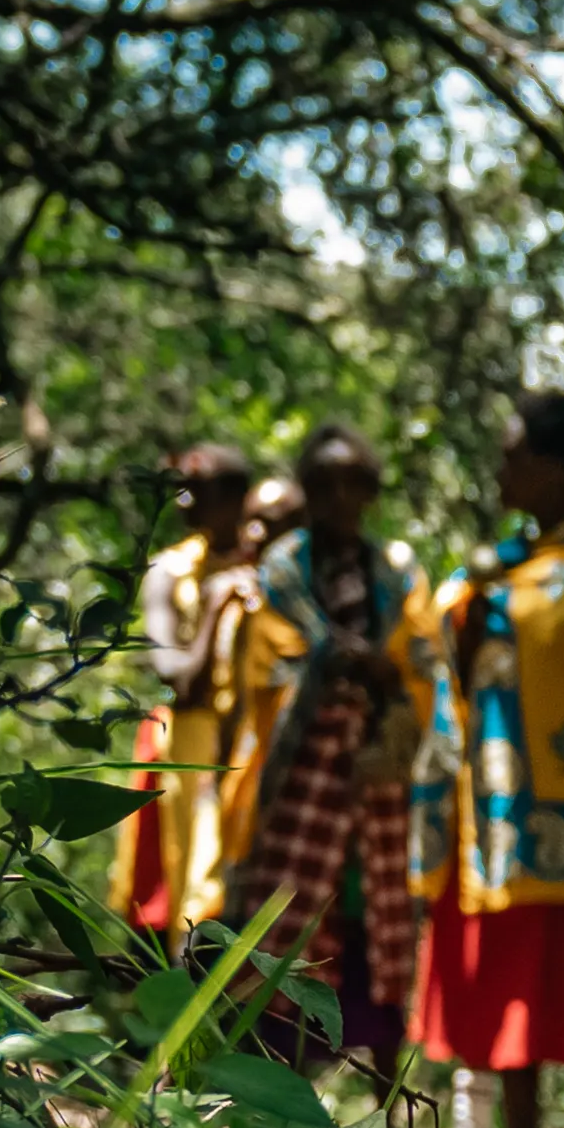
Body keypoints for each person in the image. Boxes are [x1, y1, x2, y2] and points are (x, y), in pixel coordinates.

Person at [416, 390, 564, 1128]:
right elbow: (442, 634)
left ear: (554, 467)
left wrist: (490, 615)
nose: (500, 467)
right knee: (511, 975)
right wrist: (466, 620)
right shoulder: (495, 564)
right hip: (498, 802)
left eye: (514, 453)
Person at [237, 425, 433, 1055]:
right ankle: (273, 1095)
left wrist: (383, 672)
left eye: (353, 483)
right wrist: (333, 659)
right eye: (323, 483)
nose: (338, 497)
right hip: (302, 771)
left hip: (375, 773)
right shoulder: (282, 568)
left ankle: (387, 1125)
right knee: (283, 917)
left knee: (374, 918)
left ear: (371, 491)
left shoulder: (393, 573)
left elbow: (418, 658)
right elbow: (268, 656)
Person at [125, 446, 285, 934]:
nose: (184, 503)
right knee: (196, 883)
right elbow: (179, 678)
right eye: (180, 490)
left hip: (262, 740)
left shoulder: (275, 568)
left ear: (237, 499)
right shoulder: (168, 572)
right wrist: (216, 607)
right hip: (193, 746)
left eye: (200, 491)